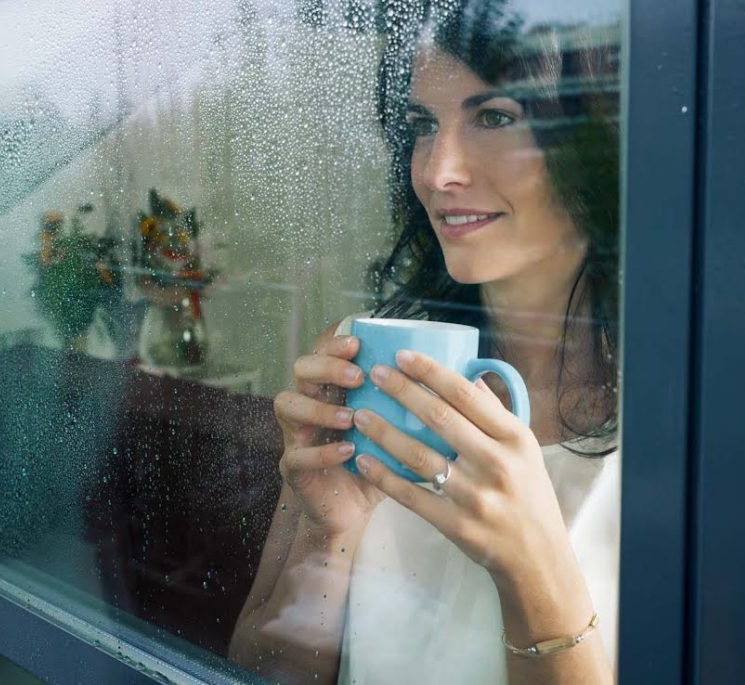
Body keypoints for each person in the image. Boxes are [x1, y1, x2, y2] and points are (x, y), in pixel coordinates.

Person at [229, 2, 620, 683]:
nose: (438, 171)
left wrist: (531, 569)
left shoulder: (684, 430)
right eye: (422, 126)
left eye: (495, 116)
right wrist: (328, 534)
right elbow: (267, 672)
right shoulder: (356, 361)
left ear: (590, 145)